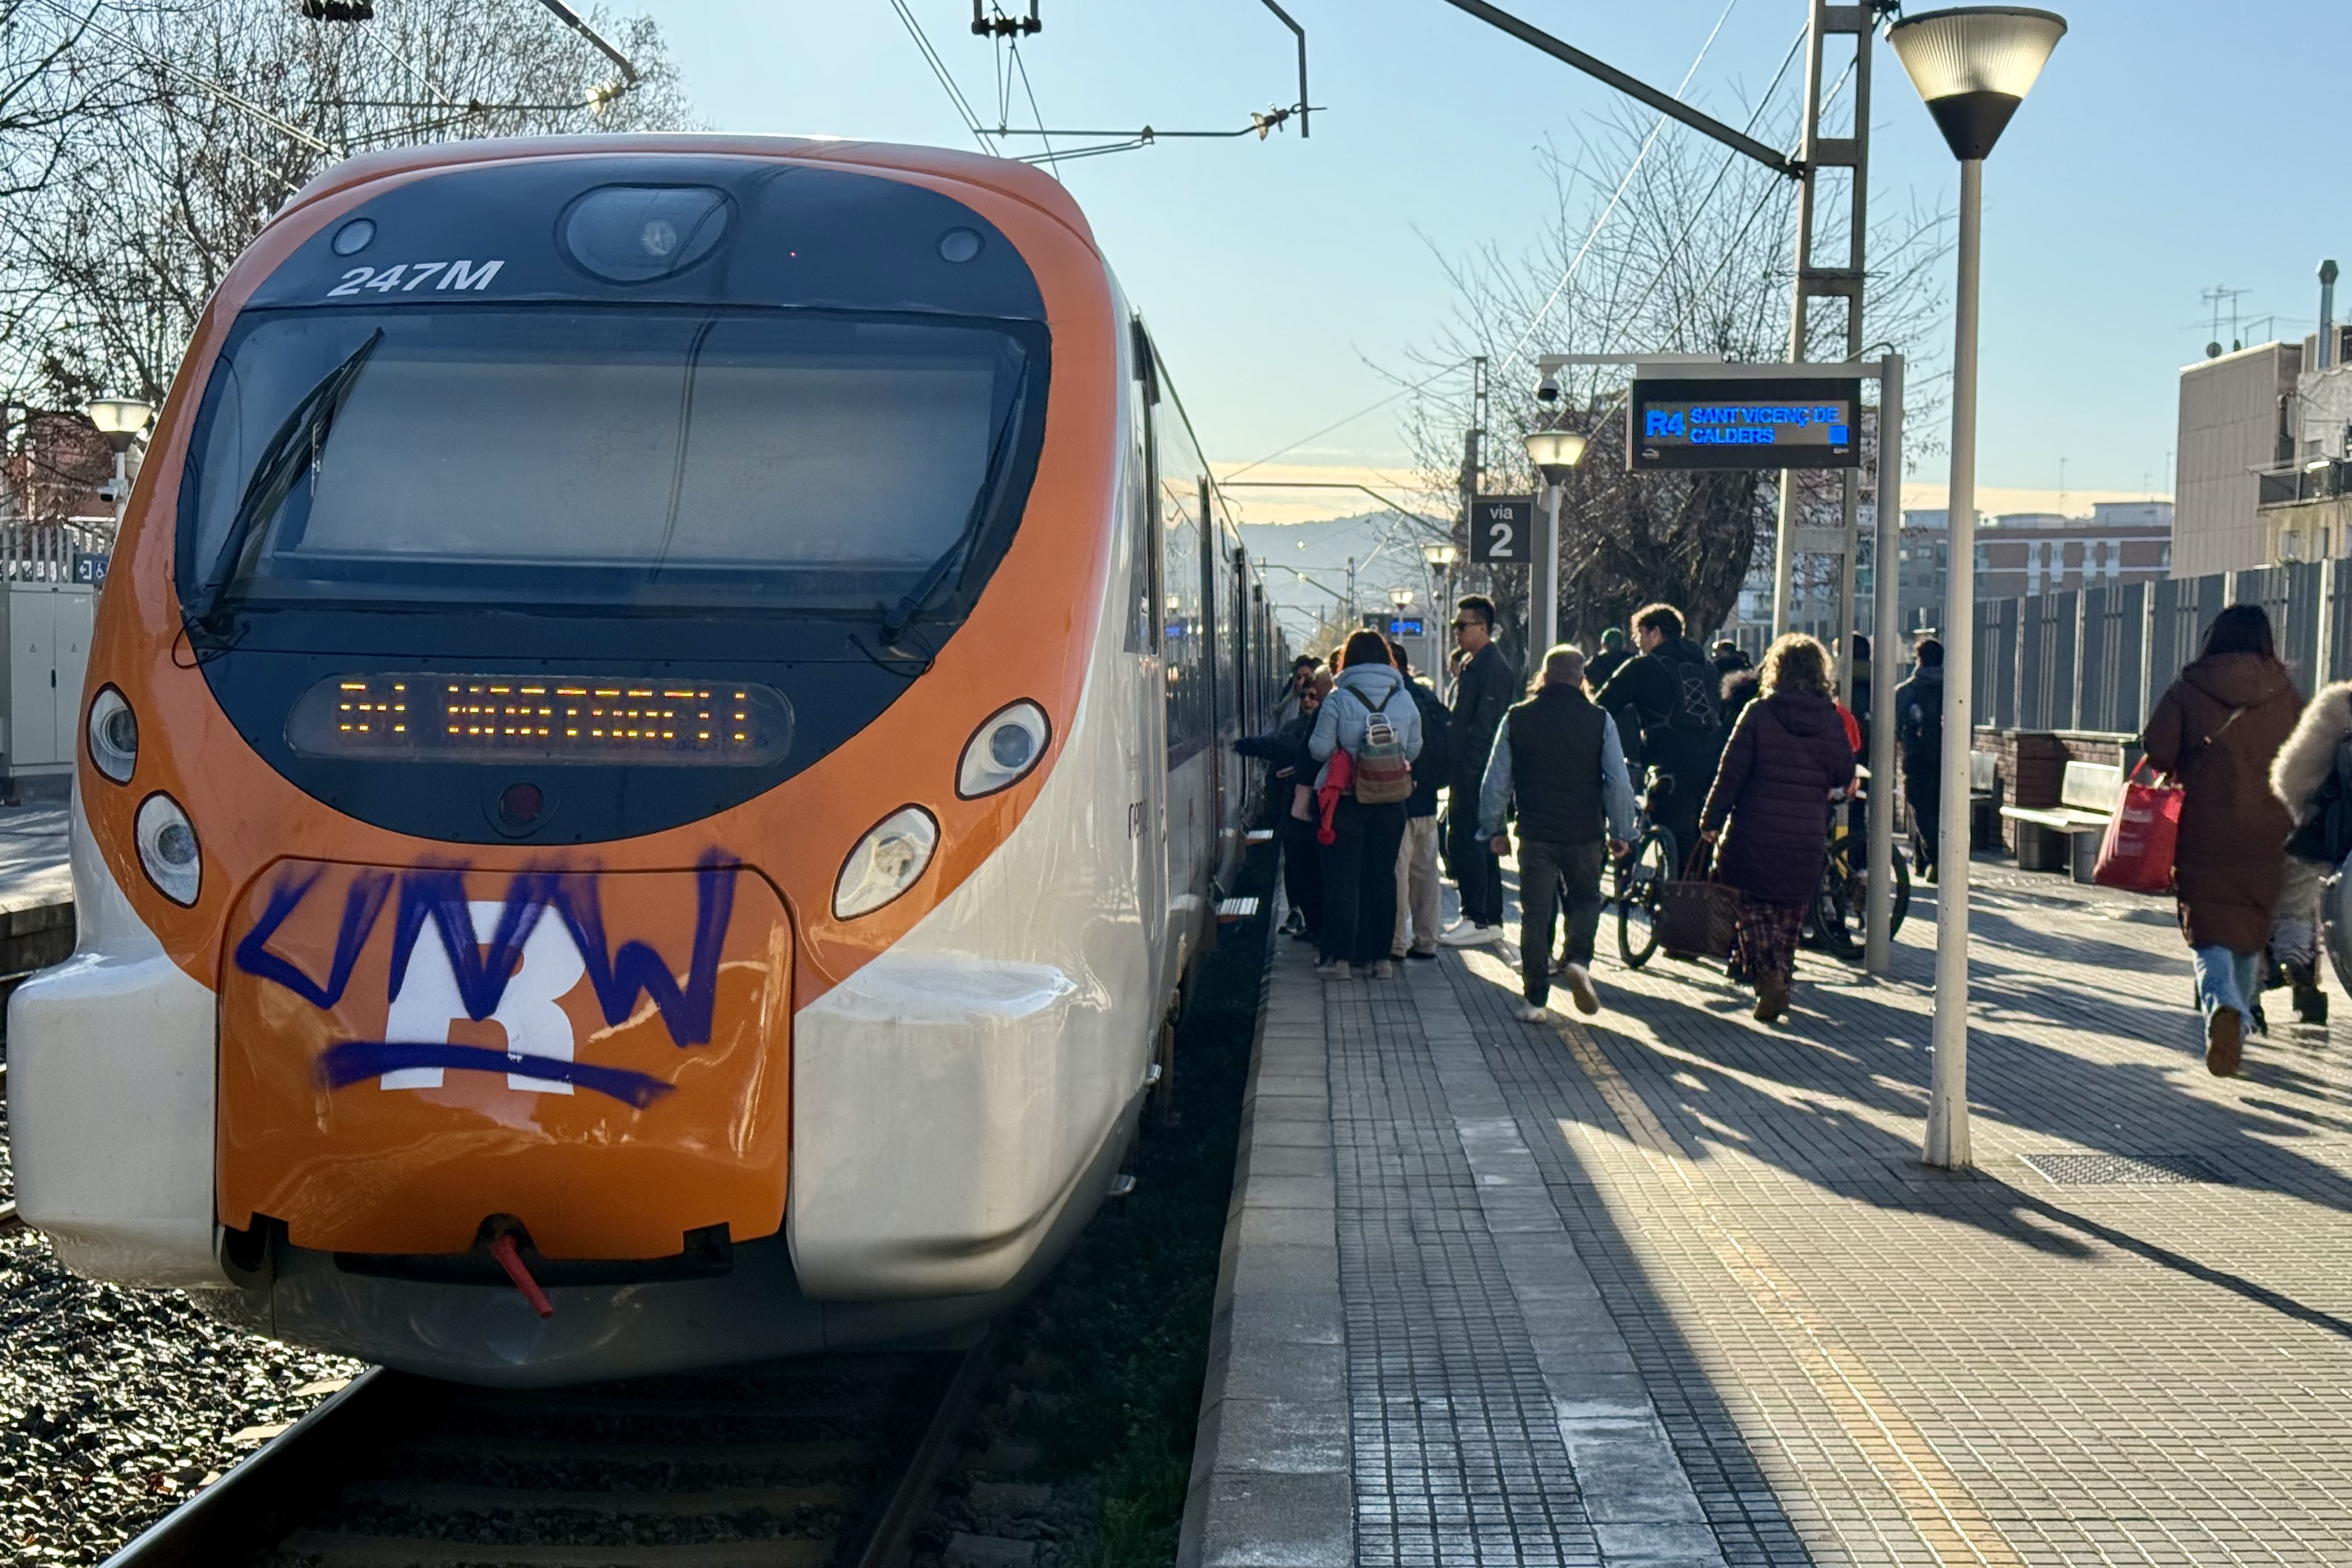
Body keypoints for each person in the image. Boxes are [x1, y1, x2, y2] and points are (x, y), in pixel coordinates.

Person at [2141, 604, 2302, 1076]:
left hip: (2205, 828)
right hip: (2269, 829)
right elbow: (2305, 755)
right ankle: (2242, 1016)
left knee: (2208, 929)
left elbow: (2159, 751)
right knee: (2251, 929)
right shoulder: (2285, 694)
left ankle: (2223, 1007)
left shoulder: (2190, 688)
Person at [1698, 634, 1856, 1023]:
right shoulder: (1830, 718)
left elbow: (1730, 772)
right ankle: (1781, 974)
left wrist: (1711, 820)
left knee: (1751, 906)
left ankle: (1767, 972)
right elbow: (1844, 772)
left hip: (1754, 829)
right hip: (1806, 833)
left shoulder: (1759, 713)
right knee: (1790, 910)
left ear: (1777, 670)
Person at [1479, 646, 1637, 1022]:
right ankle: (1579, 960)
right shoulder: (1599, 719)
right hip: (1585, 832)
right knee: (1585, 899)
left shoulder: (1517, 718)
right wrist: (1622, 831)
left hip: (1535, 832)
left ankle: (1535, 1000)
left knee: (1537, 913)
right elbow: (1618, 782)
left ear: (1544, 677)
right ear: (1582, 679)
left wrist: (1494, 829)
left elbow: (1496, 781)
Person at [1309, 630, 1423, 979]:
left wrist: (1352, 751)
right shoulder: (1403, 699)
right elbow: (1415, 749)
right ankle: (1381, 960)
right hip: (1390, 801)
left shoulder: (1339, 699)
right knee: (1383, 878)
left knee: (1344, 879)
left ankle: (1340, 960)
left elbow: (1319, 749)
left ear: (1348, 660)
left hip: (1348, 800)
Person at [1597, 602, 1723, 868]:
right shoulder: (1708, 668)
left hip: (1667, 762)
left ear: (1654, 633)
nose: (1637, 642)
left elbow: (1602, 706)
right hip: (1710, 762)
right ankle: (1694, 896)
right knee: (1697, 840)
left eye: (1639, 634)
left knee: (1662, 826)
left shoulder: (1643, 667)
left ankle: (1644, 883)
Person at [2268, 676, 2352, 1025]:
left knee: (2295, 903)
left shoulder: (2338, 705)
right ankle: (2298, 972)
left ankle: (2290, 965)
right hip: (2330, 837)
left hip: (2323, 834)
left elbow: (2289, 776)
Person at [1439, 595, 1517, 947]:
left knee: (1468, 841)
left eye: (1462, 626)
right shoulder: (1475, 664)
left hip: (1476, 772)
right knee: (1472, 841)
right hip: (1469, 769)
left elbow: (1485, 727)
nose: (1456, 632)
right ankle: (1485, 917)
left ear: (1483, 628)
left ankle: (1479, 916)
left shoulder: (1492, 667)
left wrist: (1468, 771)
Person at [1237, 671, 1330, 942]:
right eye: (1304, 696)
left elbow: (1283, 750)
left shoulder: (1321, 725)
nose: (1308, 701)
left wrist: (1246, 746)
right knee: (1300, 869)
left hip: (1312, 811)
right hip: (1296, 811)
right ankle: (1310, 923)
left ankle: (1316, 925)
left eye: (1314, 696)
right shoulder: (1294, 727)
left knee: (1310, 871)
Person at [1388, 641, 1453, 962]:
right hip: (1428, 801)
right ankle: (1427, 940)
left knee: (1398, 874)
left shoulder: (1396, 701)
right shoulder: (1428, 697)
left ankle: (1397, 942)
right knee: (1427, 874)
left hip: (1399, 800)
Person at [1893, 638, 1945, 881]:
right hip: (1948, 761)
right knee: (1941, 810)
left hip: (1917, 759)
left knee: (1921, 810)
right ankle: (1924, 858)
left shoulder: (1907, 691)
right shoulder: (1955, 691)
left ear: (1919, 659)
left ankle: (1934, 858)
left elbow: (1894, 728)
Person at [1587, 625, 1633, 689]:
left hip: (1602, 697)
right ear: (1623, 644)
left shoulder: (1596, 662)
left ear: (1604, 644)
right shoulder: (1632, 660)